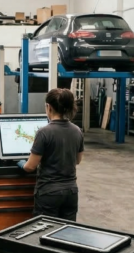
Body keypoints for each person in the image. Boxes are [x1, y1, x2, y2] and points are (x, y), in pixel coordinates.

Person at [18, 88, 84, 220]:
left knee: (44, 232)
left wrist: (21, 163)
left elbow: (30, 167)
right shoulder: (77, 131)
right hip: (71, 192)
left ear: (49, 107)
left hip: (49, 193)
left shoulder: (44, 132)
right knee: (66, 233)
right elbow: (77, 160)